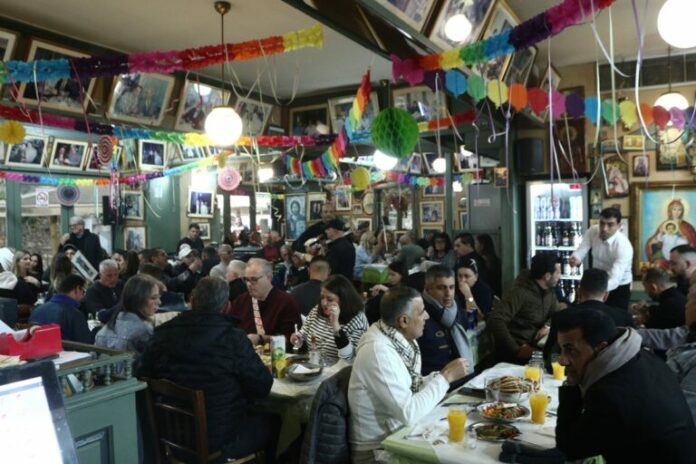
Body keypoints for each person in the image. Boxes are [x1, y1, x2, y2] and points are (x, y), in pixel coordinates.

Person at [138, 278, 279, 463]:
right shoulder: (232, 339)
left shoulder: (161, 334)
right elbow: (263, 387)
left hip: (170, 437)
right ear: (227, 307)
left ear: (192, 301)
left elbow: (142, 374)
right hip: (220, 442)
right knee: (275, 421)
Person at [555, 308, 696, 463]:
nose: (562, 360)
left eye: (570, 350)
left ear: (601, 347)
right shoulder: (641, 357)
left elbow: (569, 447)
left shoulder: (611, 395)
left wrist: (571, 385)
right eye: (561, 350)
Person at [348, 286, 470, 461]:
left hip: (398, 436)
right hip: (377, 451)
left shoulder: (397, 339)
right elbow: (409, 413)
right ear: (404, 321)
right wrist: (445, 377)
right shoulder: (378, 352)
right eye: (421, 312)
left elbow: (410, 385)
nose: (427, 316)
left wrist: (438, 377)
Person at [544, 268, 633, 367]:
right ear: (606, 295)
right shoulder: (624, 318)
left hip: (567, 372)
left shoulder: (561, 316)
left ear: (578, 292)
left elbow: (548, 354)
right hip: (612, 372)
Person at [488, 253, 561, 364]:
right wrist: (516, 350)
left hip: (536, 349)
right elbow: (496, 319)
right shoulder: (520, 292)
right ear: (547, 276)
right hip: (514, 355)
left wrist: (547, 326)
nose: (560, 276)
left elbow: (557, 313)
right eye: (558, 273)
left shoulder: (549, 291)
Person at [290, 274, 368, 365]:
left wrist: (335, 325)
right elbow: (303, 333)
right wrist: (297, 338)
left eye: (330, 299)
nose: (323, 303)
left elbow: (349, 358)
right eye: (322, 297)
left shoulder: (357, 320)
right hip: (313, 365)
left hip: (340, 370)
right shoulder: (317, 310)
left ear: (343, 300)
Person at [225, 258, 301, 345]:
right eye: (246, 280)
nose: (249, 284)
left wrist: (262, 339)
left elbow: (293, 339)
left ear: (269, 277)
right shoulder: (240, 301)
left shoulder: (286, 302)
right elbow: (228, 328)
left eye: (254, 279)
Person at [570, 207, 633, 310]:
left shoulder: (623, 246)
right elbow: (583, 247)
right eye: (602, 223)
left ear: (619, 226)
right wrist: (576, 257)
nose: (604, 228)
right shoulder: (593, 231)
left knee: (616, 317)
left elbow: (615, 278)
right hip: (598, 281)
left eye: (610, 224)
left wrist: (596, 291)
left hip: (619, 286)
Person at [419, 265, 474, 377]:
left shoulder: (455, 307)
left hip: (465, 377)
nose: (448, 294)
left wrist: (468, 296)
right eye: (441, 288)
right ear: (428, 289)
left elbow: (472, 322)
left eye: (452, 287)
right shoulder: (419, 314)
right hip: (437, 381)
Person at [95, 274, 163, 358]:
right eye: (153, 298)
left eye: (159, 297)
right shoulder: (144, 332)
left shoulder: (104, 331)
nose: (159, 302)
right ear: (138, 299)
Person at [29, 274, 92, 344]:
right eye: (83, 291)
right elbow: (86, 344)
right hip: (67, 350)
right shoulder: (75, 314)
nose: (83, 296)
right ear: (76, 289)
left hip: (38, 350)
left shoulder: (37, 310)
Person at [646, 198, 696, 268]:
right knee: (659, 264)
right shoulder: (664, 225)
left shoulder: (686, 226)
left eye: (679, 209)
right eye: (674, 209)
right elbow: (656, 240)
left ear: (682, 211)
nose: (677, 212)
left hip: (682, 255)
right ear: (670, 210)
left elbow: (693, 241)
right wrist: (654, 241)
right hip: (666, 253)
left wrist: (685, 238)